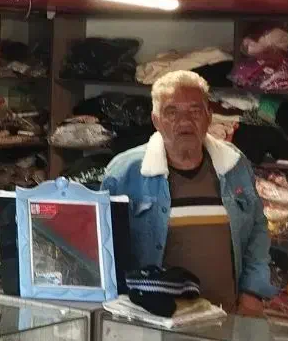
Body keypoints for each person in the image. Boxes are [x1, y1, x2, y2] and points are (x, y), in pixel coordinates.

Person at [101, 69, 273, 315]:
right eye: (172, 112)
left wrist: (252, 292)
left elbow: (257, 229)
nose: (184, 121)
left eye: (195, 111)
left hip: (226, 315)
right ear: (156, 120)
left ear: (208, 116)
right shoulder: (124, 173)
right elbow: (105, 250)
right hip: (155, 319)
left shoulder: (235, 165)